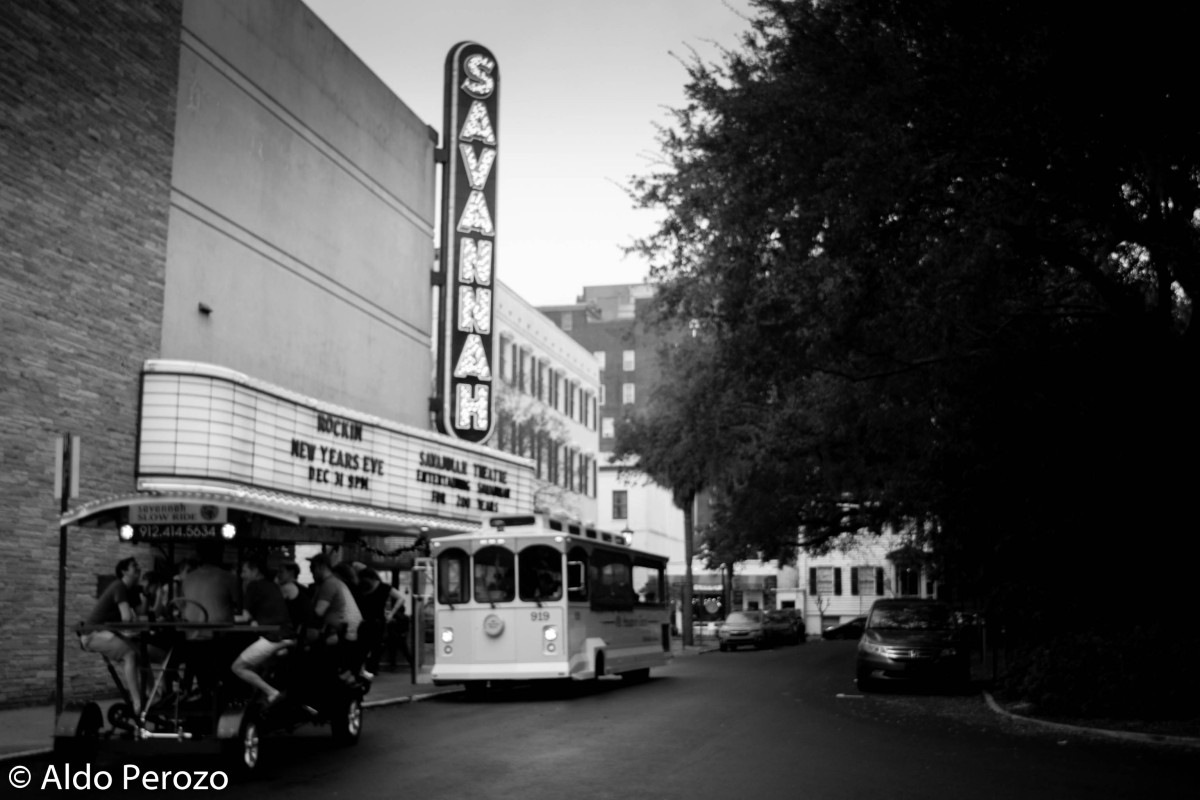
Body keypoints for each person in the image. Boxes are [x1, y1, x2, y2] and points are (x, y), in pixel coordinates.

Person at [80, 557, 144, 716]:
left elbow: (140, 614)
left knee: (140, 653)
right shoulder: (119, 586)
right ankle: (137, 703)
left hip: (104, 632)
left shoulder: (130, 589)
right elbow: (127, 617)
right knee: (130, 654)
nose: (138, 568)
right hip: (92, 635)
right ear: (124, 571)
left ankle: (151, 697)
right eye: (133, 566)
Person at [231, 559, 295, 706]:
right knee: (254, 667)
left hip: (274, 638)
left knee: (238, 667)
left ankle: (271, 693)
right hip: (286, 635)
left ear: (256, 571)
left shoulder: (253, 586)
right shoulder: (272, 585)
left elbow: (245, 617)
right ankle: (259, 700)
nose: (242, 575)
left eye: (245, 571)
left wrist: (226, 617)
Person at [308, 553, 363, 681]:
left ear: (321, 567)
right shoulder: (335, 582)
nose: (311, 572)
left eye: (312, 568)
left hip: (340, 633)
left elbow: (319, 612)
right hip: (346, 632)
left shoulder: (329, 584)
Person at [356, 568, 403, 674]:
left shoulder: (379, 587)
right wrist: (391, 613)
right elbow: (401, 598)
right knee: (374, 646)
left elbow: (401, 597)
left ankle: (370, 668)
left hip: (372, 621)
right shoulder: (383, 588)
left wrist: (391, 613)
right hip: (375, 621)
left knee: (370, 645)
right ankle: (371, 668)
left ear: (369, 578)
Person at [275, 561, 311, 631]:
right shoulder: (302, 588)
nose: (277, 575)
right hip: (302, 629)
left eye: (281, 572)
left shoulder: (287, 587)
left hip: (292, 630)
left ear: (291, 573)